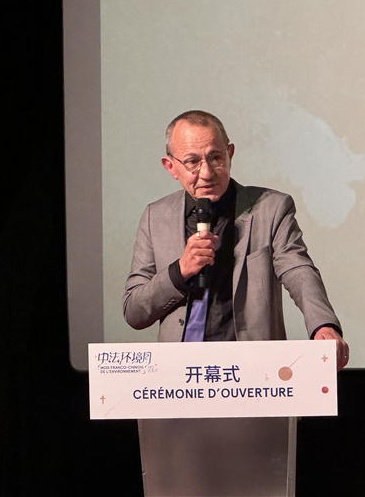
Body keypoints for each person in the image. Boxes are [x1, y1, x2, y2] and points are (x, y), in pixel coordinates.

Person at [123, 110, 349, 370]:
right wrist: (180, 271)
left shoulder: (271, 208)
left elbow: (297, 268)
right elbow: (134, 312)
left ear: (230, 154)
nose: (206, 172)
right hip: (179, 377)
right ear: (170, 167)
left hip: (254, 373)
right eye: (192, 162)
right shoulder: (155, 217)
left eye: (215, 158)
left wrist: (323, 325)